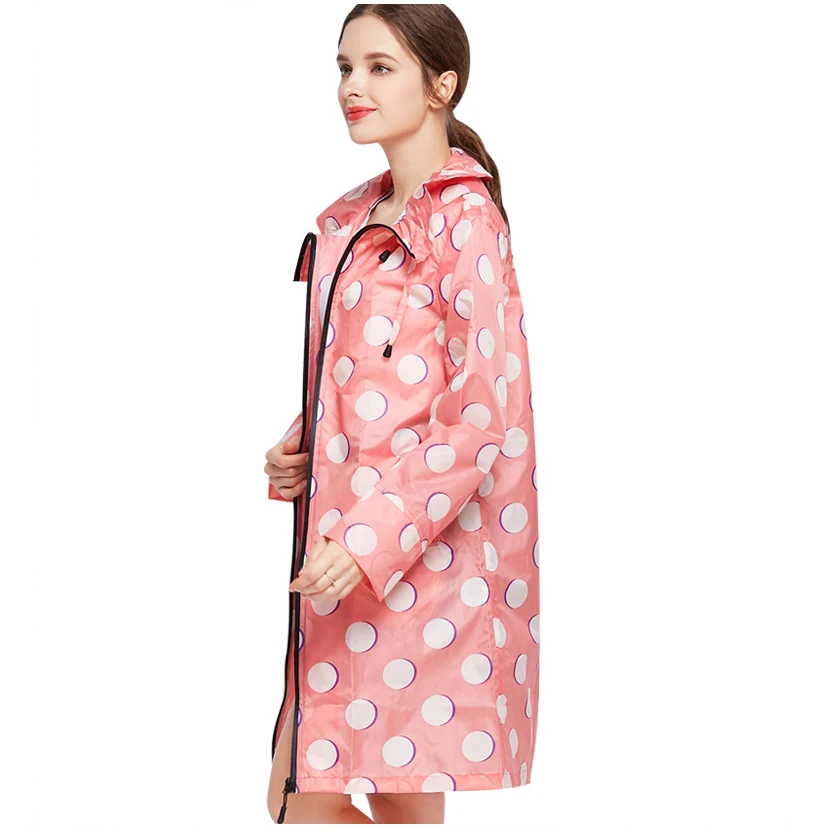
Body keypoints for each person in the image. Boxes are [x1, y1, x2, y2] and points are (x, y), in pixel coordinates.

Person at [264, 4, 540, 824]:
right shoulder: (353, 217)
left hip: (426, 569)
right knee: (296, 795)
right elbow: (370, 374)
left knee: (398, 804)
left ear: (441, 85)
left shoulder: (466, 222)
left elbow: (478, 417)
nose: (353, 86)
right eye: (345, 67)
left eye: (380, 68)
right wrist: (304, 444)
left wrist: (367, 541)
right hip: (341, 560)